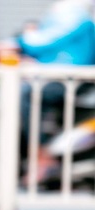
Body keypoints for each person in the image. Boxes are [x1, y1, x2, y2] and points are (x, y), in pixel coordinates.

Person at [13, 0, 95, 182]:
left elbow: (45, 41)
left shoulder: (77, 15)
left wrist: (18, 42)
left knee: (26, 95)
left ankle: (43, 156)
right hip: (59, 76)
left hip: (71, 79)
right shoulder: (65, 13)